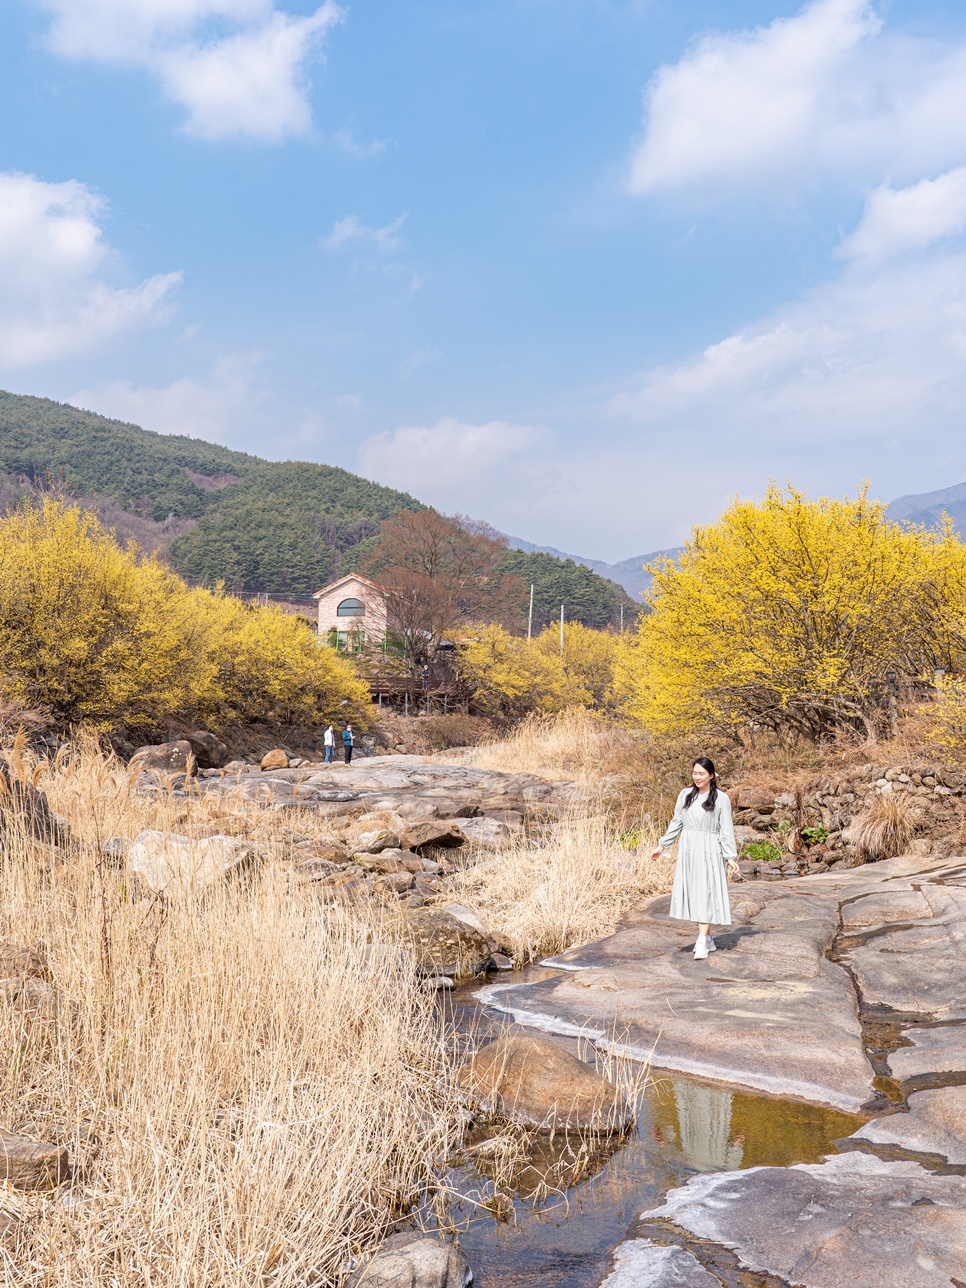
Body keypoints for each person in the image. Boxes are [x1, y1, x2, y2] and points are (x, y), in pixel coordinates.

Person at [650, 757, 739, 960]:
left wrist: (730, 856)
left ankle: (701, 942)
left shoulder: (721, 798)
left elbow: (726, 829)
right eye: (694, 773)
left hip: (710, 849)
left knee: (706, 893)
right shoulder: (685, 795)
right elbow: (677, 822)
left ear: (711, 775)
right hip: (689, 848)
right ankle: (707, 938)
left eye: (701, 773)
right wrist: (662, 845)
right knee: (695, 893)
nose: (697, 777)